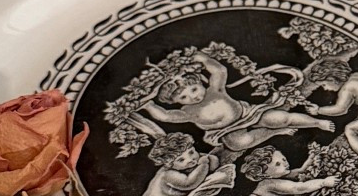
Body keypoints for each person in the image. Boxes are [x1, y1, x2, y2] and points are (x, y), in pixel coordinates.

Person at [139, 50, 334, 155]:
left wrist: (203, 58)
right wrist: (149, 106)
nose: (193, 97)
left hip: (247, 114)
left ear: (199, 82)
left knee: (280, 117)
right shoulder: (187, 112)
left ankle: (317, 123)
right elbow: (165, 116)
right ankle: (274, 133)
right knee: (239, 143)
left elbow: (219, 71)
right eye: (183, 97)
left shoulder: (214, 89)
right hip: (225, 131)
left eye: (193, 89)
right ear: (174, 102)